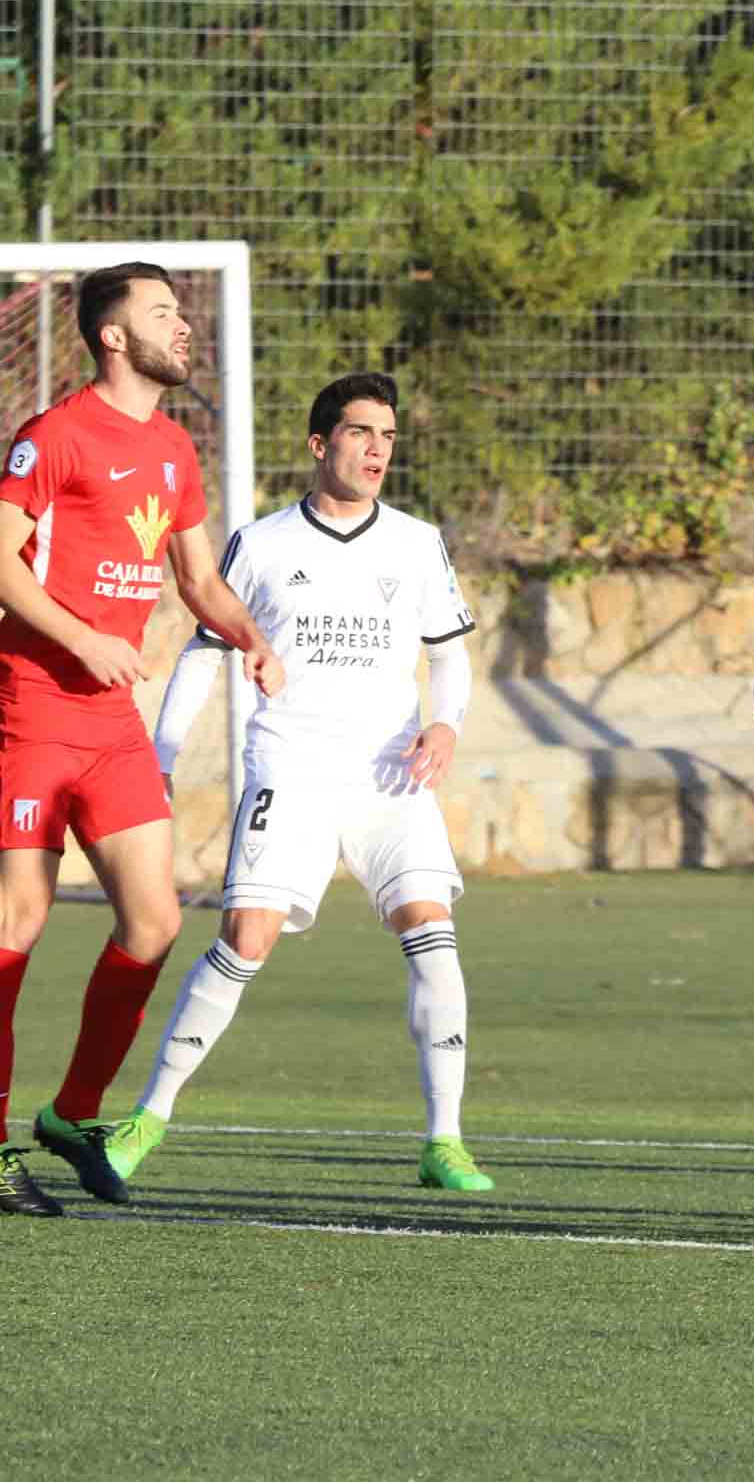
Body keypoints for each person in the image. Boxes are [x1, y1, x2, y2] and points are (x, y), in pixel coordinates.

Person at [113, 373, 490, 1194]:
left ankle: (445, 1141)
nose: (378, 451)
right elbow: (204, 651)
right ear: (320, 445)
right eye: (361, 434)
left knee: (432, 929)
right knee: (245, 939)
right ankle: (148, 1117)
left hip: (391, 771)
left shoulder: (417, 542)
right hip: (291, 766)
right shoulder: (264, 542)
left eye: (388, 437)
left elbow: (448, 651)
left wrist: (447, 722)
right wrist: (163, 758)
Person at [0, 262, 283, 1218]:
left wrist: (253, 642)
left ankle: (72, 1114)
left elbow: (199, 582)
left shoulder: (173, 449)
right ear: (113, 335)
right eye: (162, 312)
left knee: (155, 924)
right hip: (30, 710)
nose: (184, 325)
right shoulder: (54, 437)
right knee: (17, 927)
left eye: (181, 309)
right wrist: (80, 635)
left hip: (110, 727)